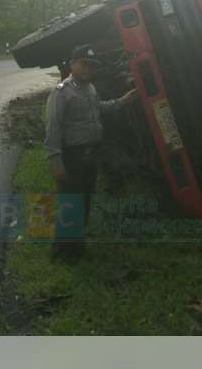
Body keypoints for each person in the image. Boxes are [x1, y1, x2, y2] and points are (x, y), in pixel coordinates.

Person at [44, 43, 138, 261]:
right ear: (72, 64)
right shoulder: (61, 93)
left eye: (92, 66)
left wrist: (123, 101)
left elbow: (100, 109)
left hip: (90, 156)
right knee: (70, 205)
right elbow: (52, 130)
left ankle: (77, 247)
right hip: (72, 158)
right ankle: (61, 254)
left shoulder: (90, 89)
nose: (88, 69)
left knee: (84, 202)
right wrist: (56, 163)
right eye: (84, 64)